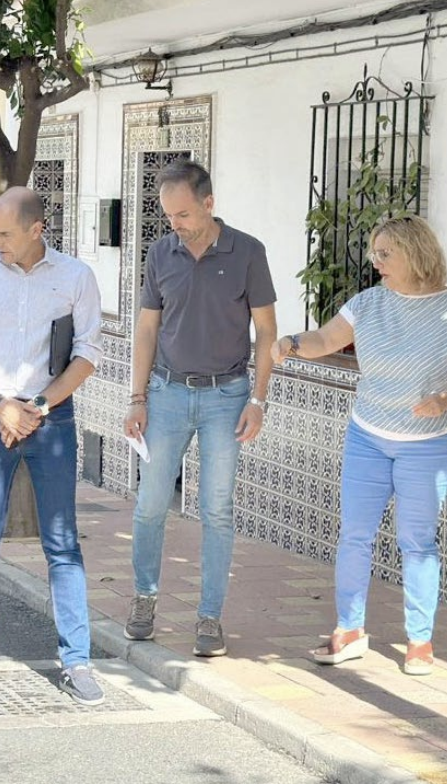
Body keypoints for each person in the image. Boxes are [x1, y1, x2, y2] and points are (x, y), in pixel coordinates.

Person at [271, 214, 447, 675]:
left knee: (417, 541)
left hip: (431, 444)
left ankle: (420, 641)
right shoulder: (368, 303)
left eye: (384, 253)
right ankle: (349, 629)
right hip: (367, 436)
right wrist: (293, 342)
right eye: (374, 253)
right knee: (354, 535)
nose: (375, 262)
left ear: (415, 253)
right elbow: (327, 338)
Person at [0, 187, 105, 705]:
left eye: (5, 233)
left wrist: (35, 405)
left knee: (62, 540)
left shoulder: (76, 277)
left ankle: (77, 660)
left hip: (50, 419)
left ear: (37, 230)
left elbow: (87, 354)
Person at [122, 161, 277, 657]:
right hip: (166, 394)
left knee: (216, 509)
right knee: (149, 507)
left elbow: (267, 332)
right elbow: (147, 328)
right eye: (169, 215)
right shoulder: (160, 253)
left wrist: (258, 399)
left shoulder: (248, 252)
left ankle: (209, 617)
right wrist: (137, 396)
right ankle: (145, 598)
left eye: (184, 214)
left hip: (226, 397)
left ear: (209, 204)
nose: (176, 224)